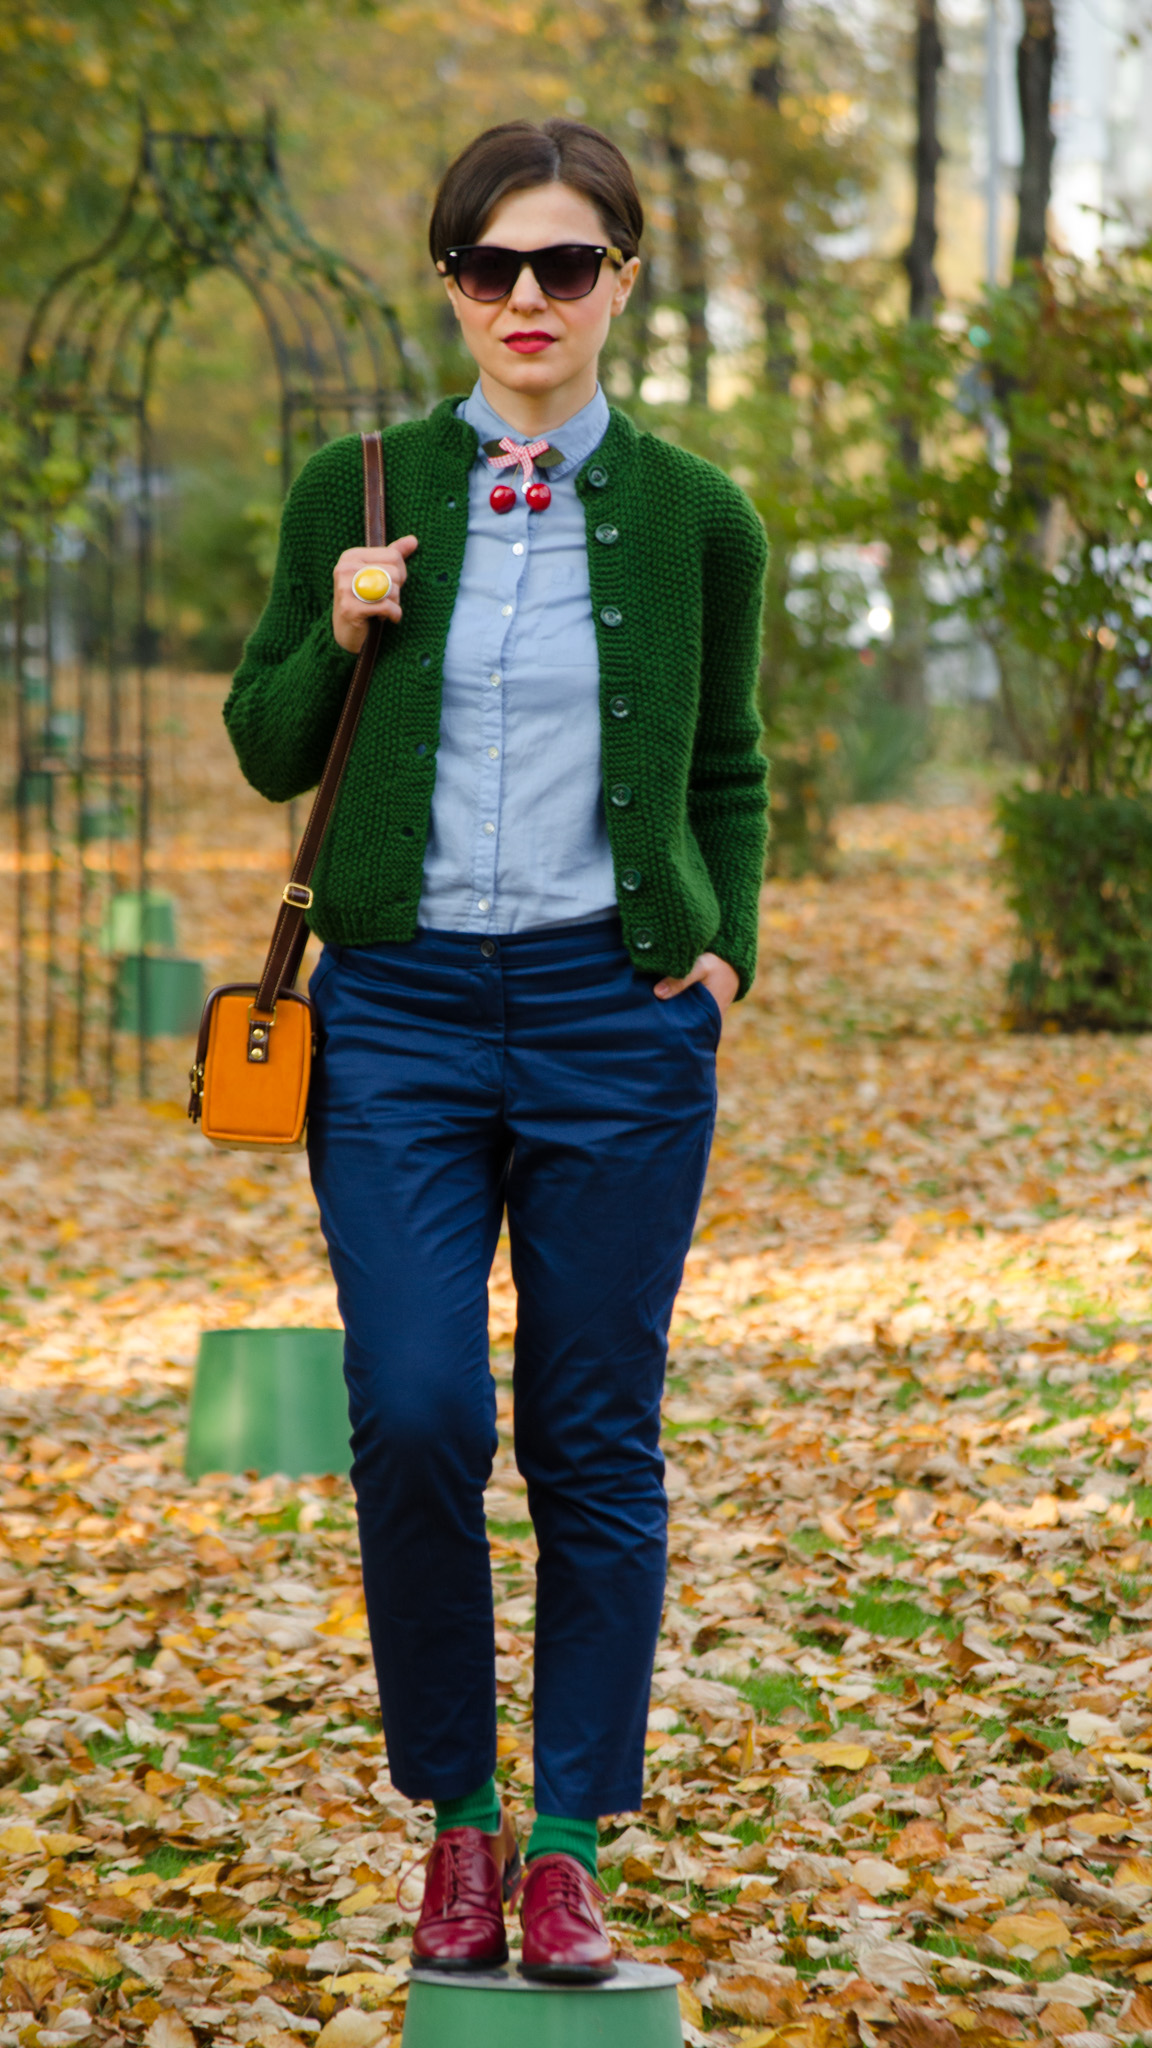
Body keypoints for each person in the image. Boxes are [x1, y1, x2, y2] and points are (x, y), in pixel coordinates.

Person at [223, 117, 768, 1983]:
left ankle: (561, 1848)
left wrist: (719, 963)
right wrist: (344, 619)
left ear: (626, 276)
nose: (526, 300)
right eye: (490, 267)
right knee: (424, 1414)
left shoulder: (700, 513)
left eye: (566, 264)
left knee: (597, 1440)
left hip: (617, 1023)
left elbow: (731, 774)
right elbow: (269, 739)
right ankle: (453, 1815)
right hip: (402, 1020)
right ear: (449, 282)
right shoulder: (351, 486)